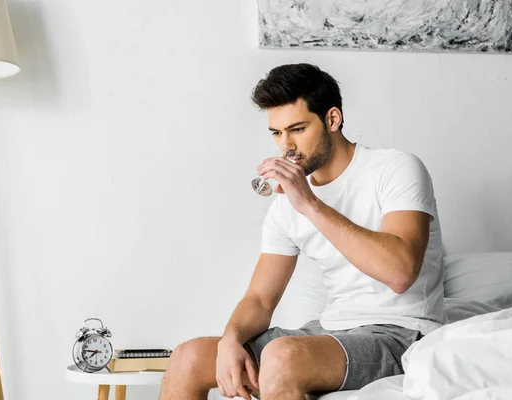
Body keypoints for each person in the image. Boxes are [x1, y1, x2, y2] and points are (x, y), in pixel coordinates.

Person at [159, 63, 445, 400]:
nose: (286, 146)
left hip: (402, 334)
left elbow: (400, 272)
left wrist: (309, 203)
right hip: (331, 332)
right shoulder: (285, 204)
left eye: (297, 129)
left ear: (333, 119)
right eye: (277, 133)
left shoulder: (395, 169)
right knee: (187, 358)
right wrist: (230, 339)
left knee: (282, 356)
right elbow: (260, 299)